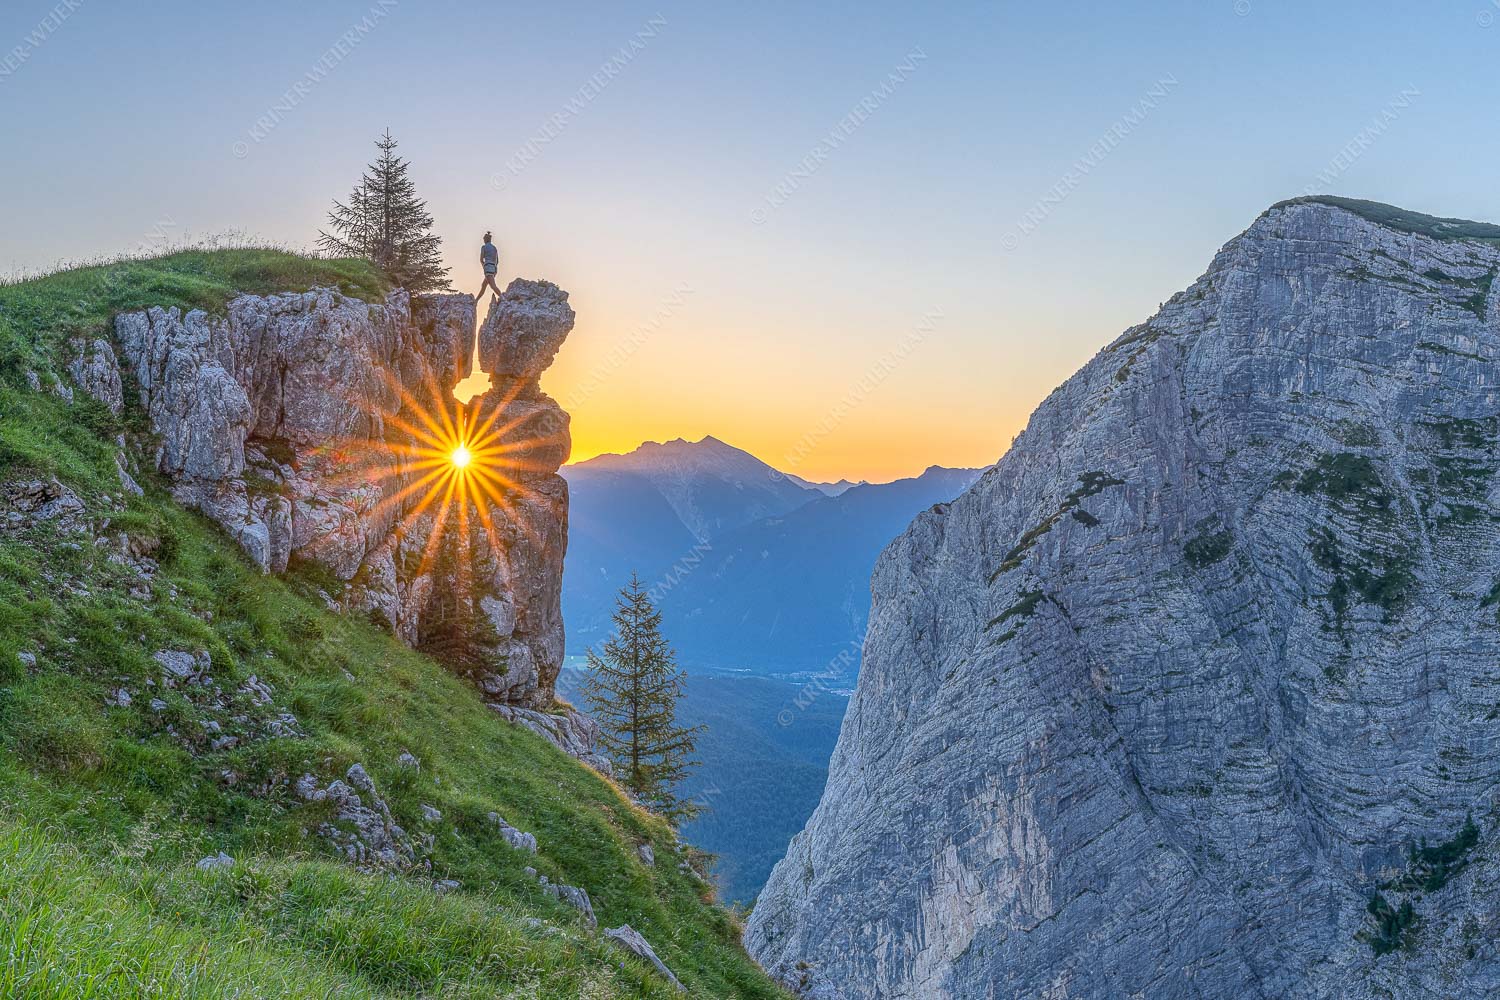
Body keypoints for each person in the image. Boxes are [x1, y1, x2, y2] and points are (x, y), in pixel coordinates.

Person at [475, 231, 502, 301]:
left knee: (493, 286)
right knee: (483, 285)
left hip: (487, 267)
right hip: (493, 268)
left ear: (485, 239)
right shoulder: (494, 248)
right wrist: (495, 269)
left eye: (484, 239)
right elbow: (497, 261)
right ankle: (476, 300)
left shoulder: (484, 247)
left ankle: (503, 298)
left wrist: (484, 266)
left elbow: (481, 259)